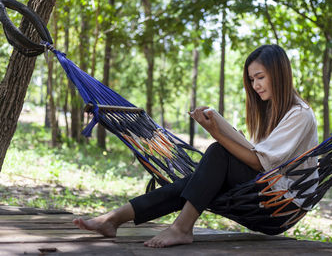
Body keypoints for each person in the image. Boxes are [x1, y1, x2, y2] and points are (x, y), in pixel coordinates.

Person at [72, 44, 318, 248]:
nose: (255, 86)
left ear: (279, 73)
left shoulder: (300, 114)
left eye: (260, 77)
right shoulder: (277, 111)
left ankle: (181, 228)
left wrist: (217, 134)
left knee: (218, 152)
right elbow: (261, 156)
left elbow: (258, 162)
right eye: (252, 79)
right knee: (198, 180)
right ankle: (114, 219)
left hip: (282, 205)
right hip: (268, 193)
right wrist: (221, 127)